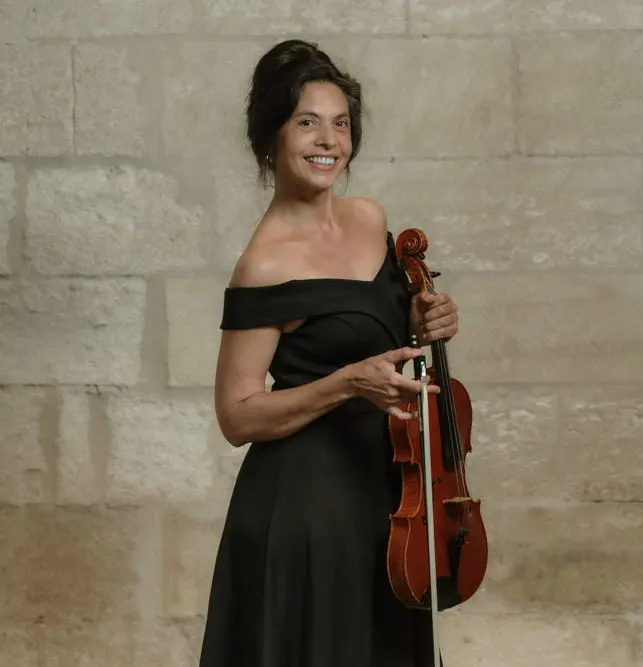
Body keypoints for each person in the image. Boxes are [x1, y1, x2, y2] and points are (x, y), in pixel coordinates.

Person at [198, 39, 459, 667]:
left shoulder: (370, 219)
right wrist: (347, 383)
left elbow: (382, 336)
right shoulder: (264, 265)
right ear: (272, 136)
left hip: (392, 498)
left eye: (341, 124)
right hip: (306, 509)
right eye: (307, 122)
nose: (329, 141)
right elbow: (237, 415)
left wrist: (423, 321)